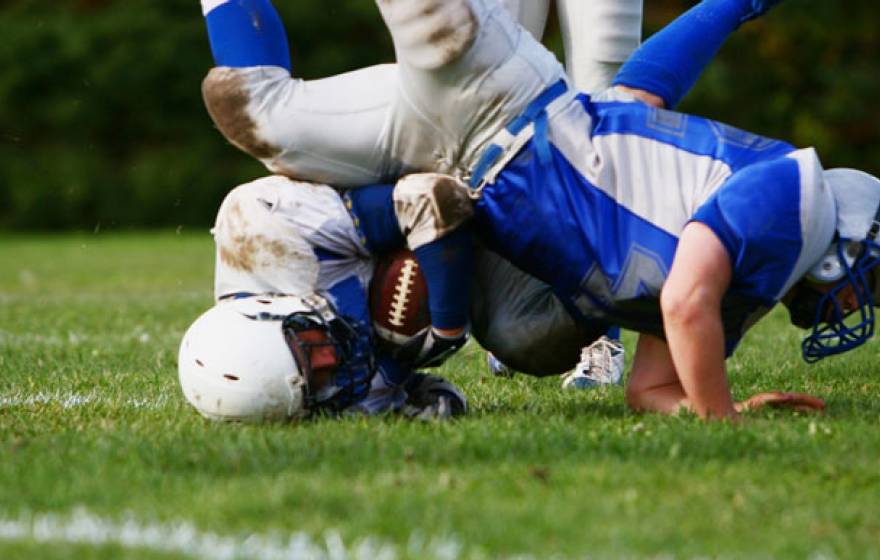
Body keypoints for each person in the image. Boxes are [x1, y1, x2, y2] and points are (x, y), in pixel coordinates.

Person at [197, 0, 642, 379]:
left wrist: (446, 328)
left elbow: (430, 204)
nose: (327, 366)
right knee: (526, 338)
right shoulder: (360, 368)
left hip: (480, 101)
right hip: (469, 141)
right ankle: (607, 321)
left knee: (602, 60)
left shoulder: (278, 236)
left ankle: (606, 338)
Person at [178, 176, 470, 421]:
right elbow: (443, 400)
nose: (329, 359)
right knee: (510, 336)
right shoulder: (334, 399)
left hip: (428, 174)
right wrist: (401, 365)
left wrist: (448, 327)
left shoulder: (267, 229)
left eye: (309, 351)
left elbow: (432, 200)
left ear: (272, 311)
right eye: (316, 380)